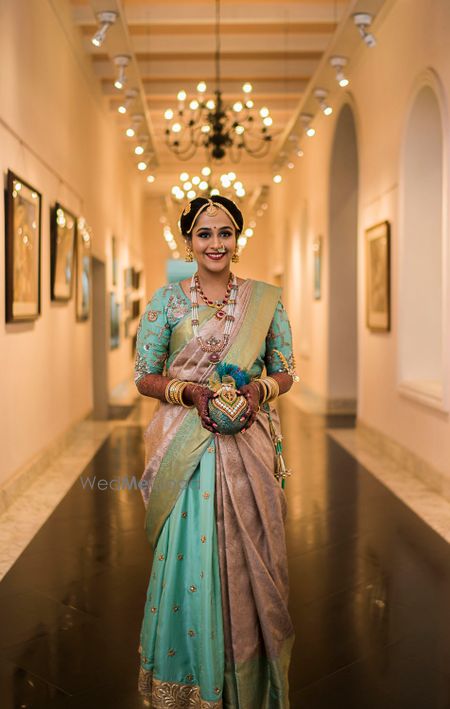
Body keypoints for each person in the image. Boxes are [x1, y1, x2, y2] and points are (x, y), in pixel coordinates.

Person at [134, 195, 298, 708]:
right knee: (189, 556)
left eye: (224, 233)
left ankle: (245, 679)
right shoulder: (167, 302)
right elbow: (144, 375)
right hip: (186, 447)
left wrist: (256, 392)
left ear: (237, 238)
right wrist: (193, 393)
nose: (215, 244)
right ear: (189, 240)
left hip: (246, 443)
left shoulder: (264, 299)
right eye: (205, 234)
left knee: (252, 555)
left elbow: (286, 368)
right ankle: (187, 677)